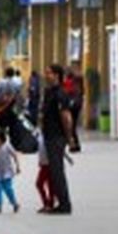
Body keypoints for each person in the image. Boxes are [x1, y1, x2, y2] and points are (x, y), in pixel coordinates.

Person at [39, 64, 74, 215]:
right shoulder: (48, 92)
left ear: (57, 75)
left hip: (56, 136)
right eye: (46, 73)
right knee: (53, 171)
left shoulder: (60, 93)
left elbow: (66, 117)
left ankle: (65, 205)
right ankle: (58, 202)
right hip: (48, 135)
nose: (46, 76)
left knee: (57, 171)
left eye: (49, 73)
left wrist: (69, 137)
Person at [0, 127, 20, 213]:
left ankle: (14, 203)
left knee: (8, 188)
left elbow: (15, 155)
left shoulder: (7, 146)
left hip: (7, 172)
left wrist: (18, 166)